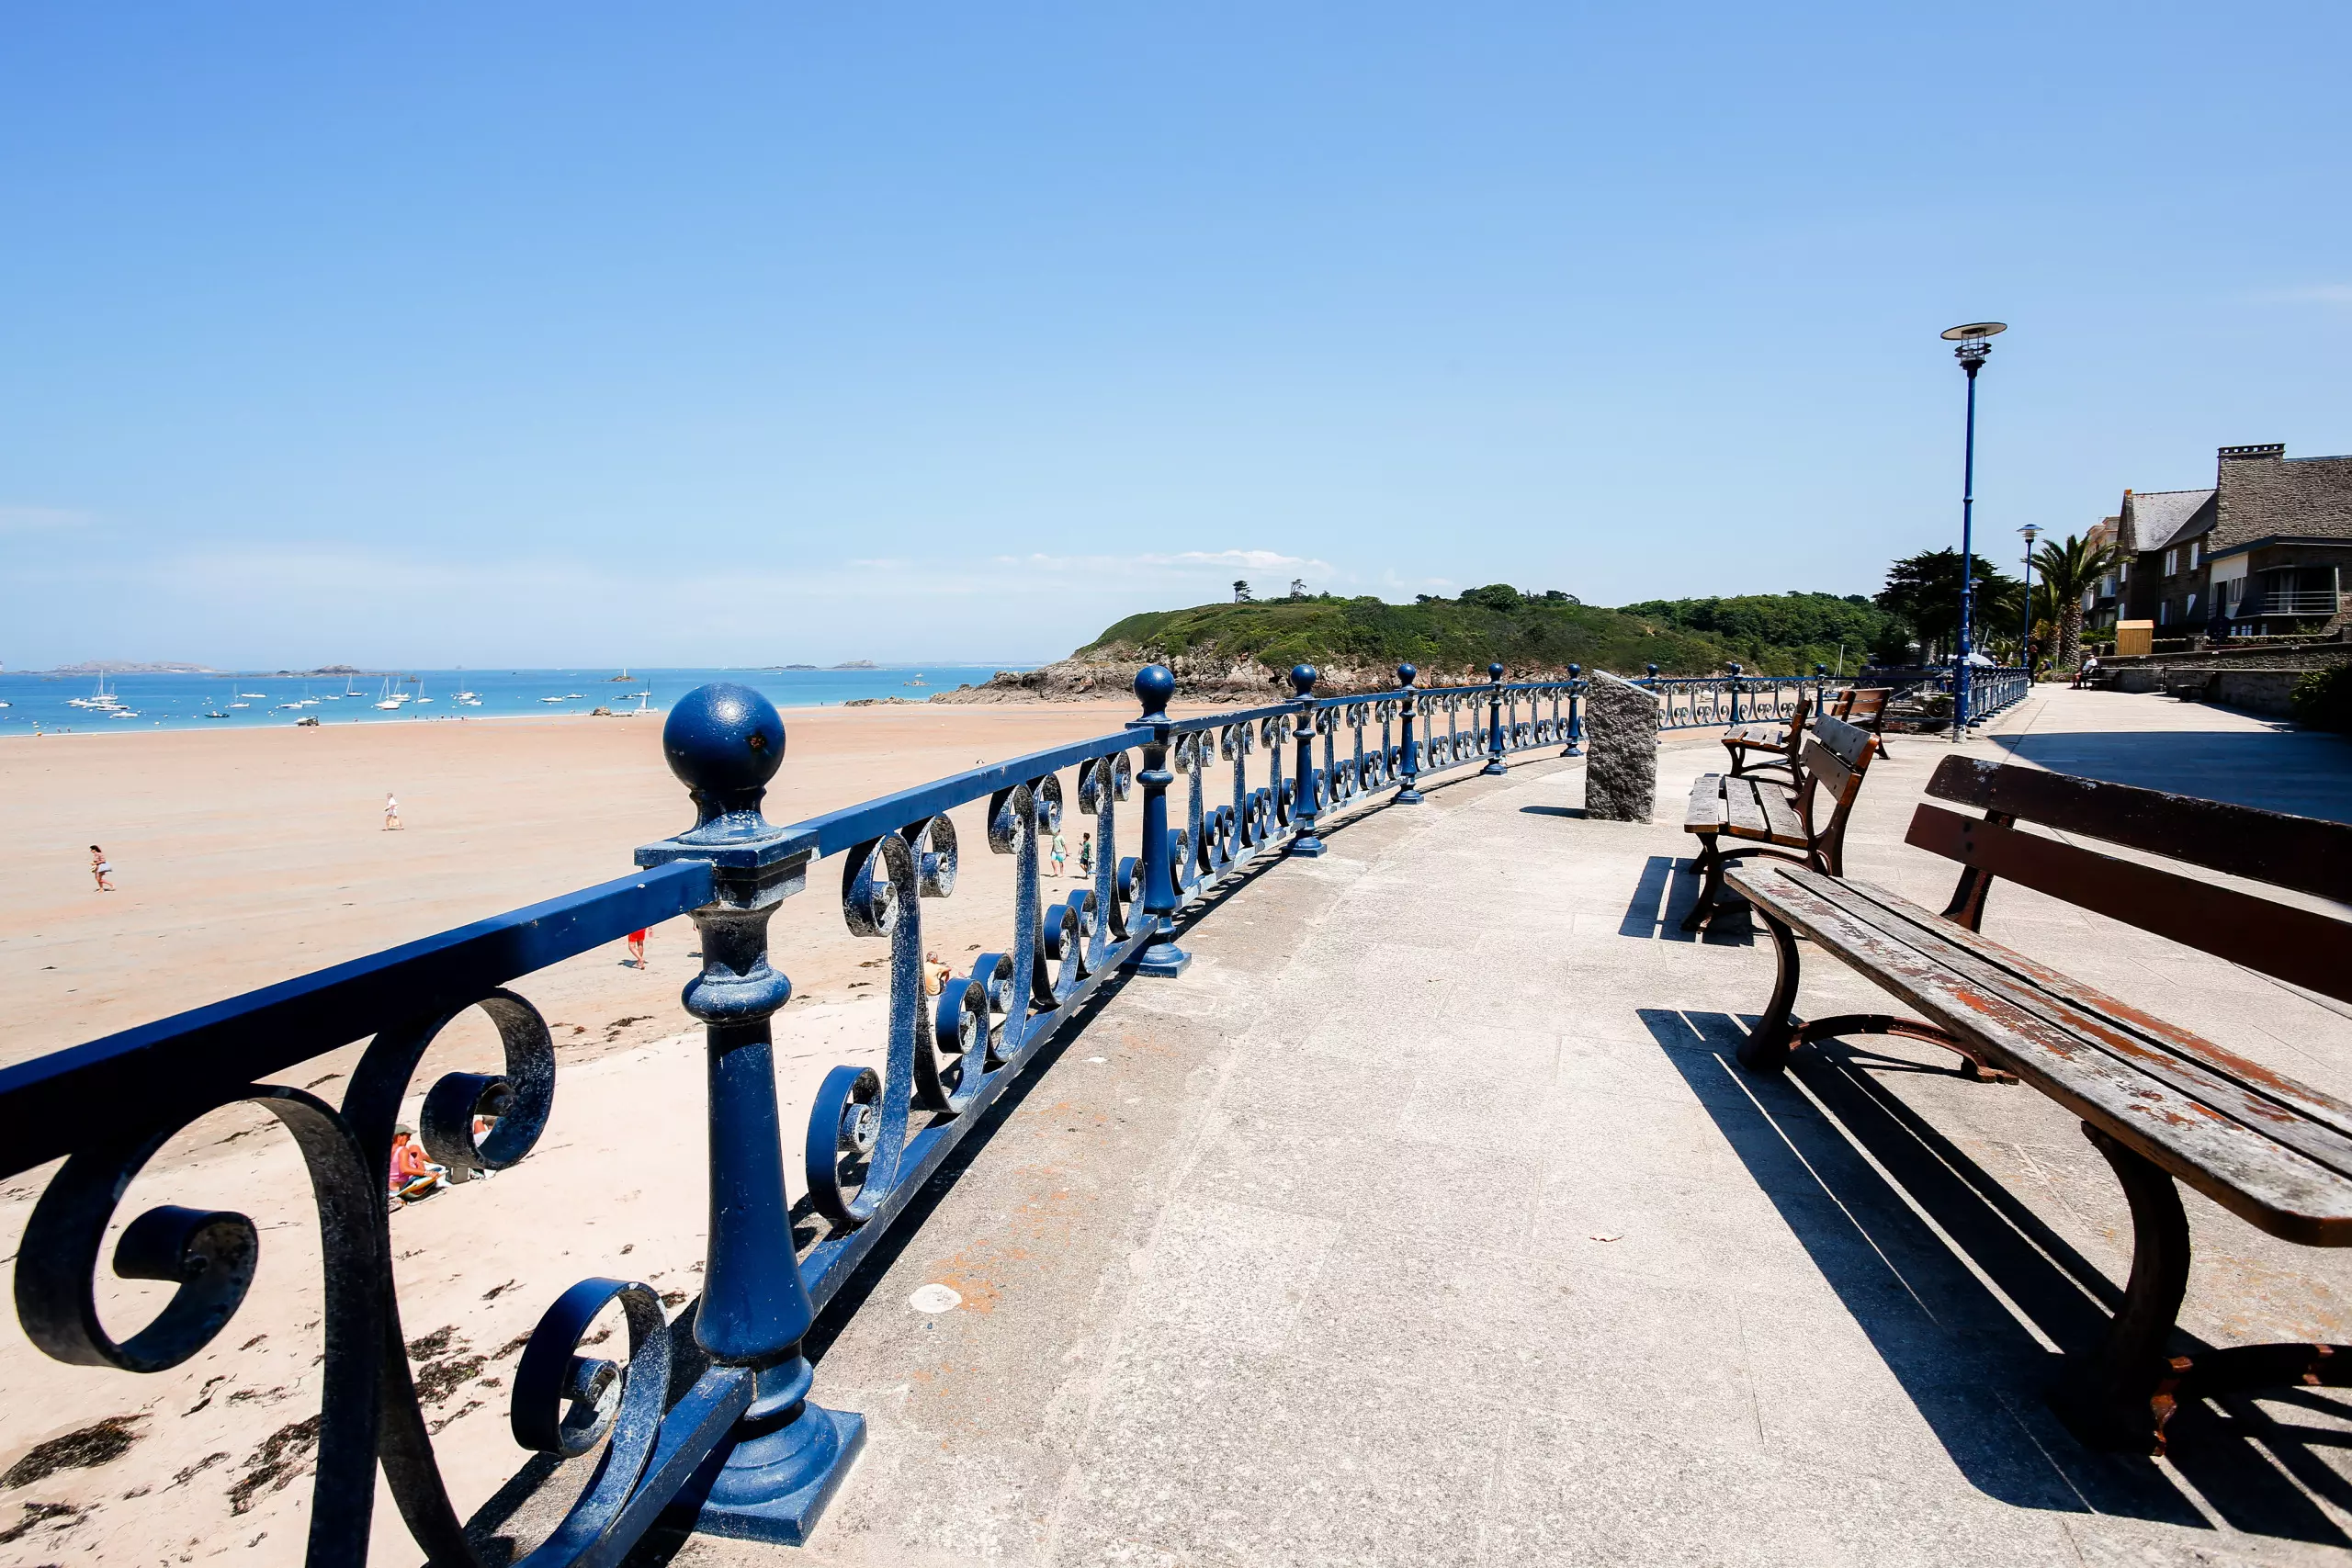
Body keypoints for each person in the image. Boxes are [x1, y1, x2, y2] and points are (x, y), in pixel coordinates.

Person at [388, 1124, 446, 1206]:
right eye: (408, 1136)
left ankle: (433, 1160)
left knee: (415, 1150)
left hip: (392, 1185)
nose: (409, 1138)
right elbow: (405, 1169)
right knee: (416, 1150)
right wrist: (426, 1173)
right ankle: (438, 1161)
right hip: (406, 1185)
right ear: (399, 1137)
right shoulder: (402, 1150)